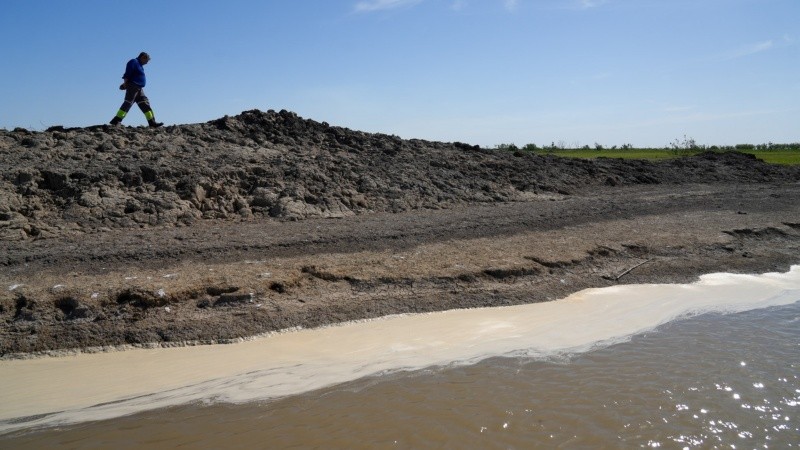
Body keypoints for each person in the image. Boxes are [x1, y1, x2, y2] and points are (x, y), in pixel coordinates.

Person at [109, 52, 163, 127]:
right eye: (146, 60)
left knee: (144, 103)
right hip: (133, 86)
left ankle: (152, 122)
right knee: (128, 102)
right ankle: (116, 120)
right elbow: (127, 73)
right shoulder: (133, 62)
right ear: (143, 57)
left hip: (139, 88)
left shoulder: (140, 65)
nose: (147, 63)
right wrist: (125, 84)